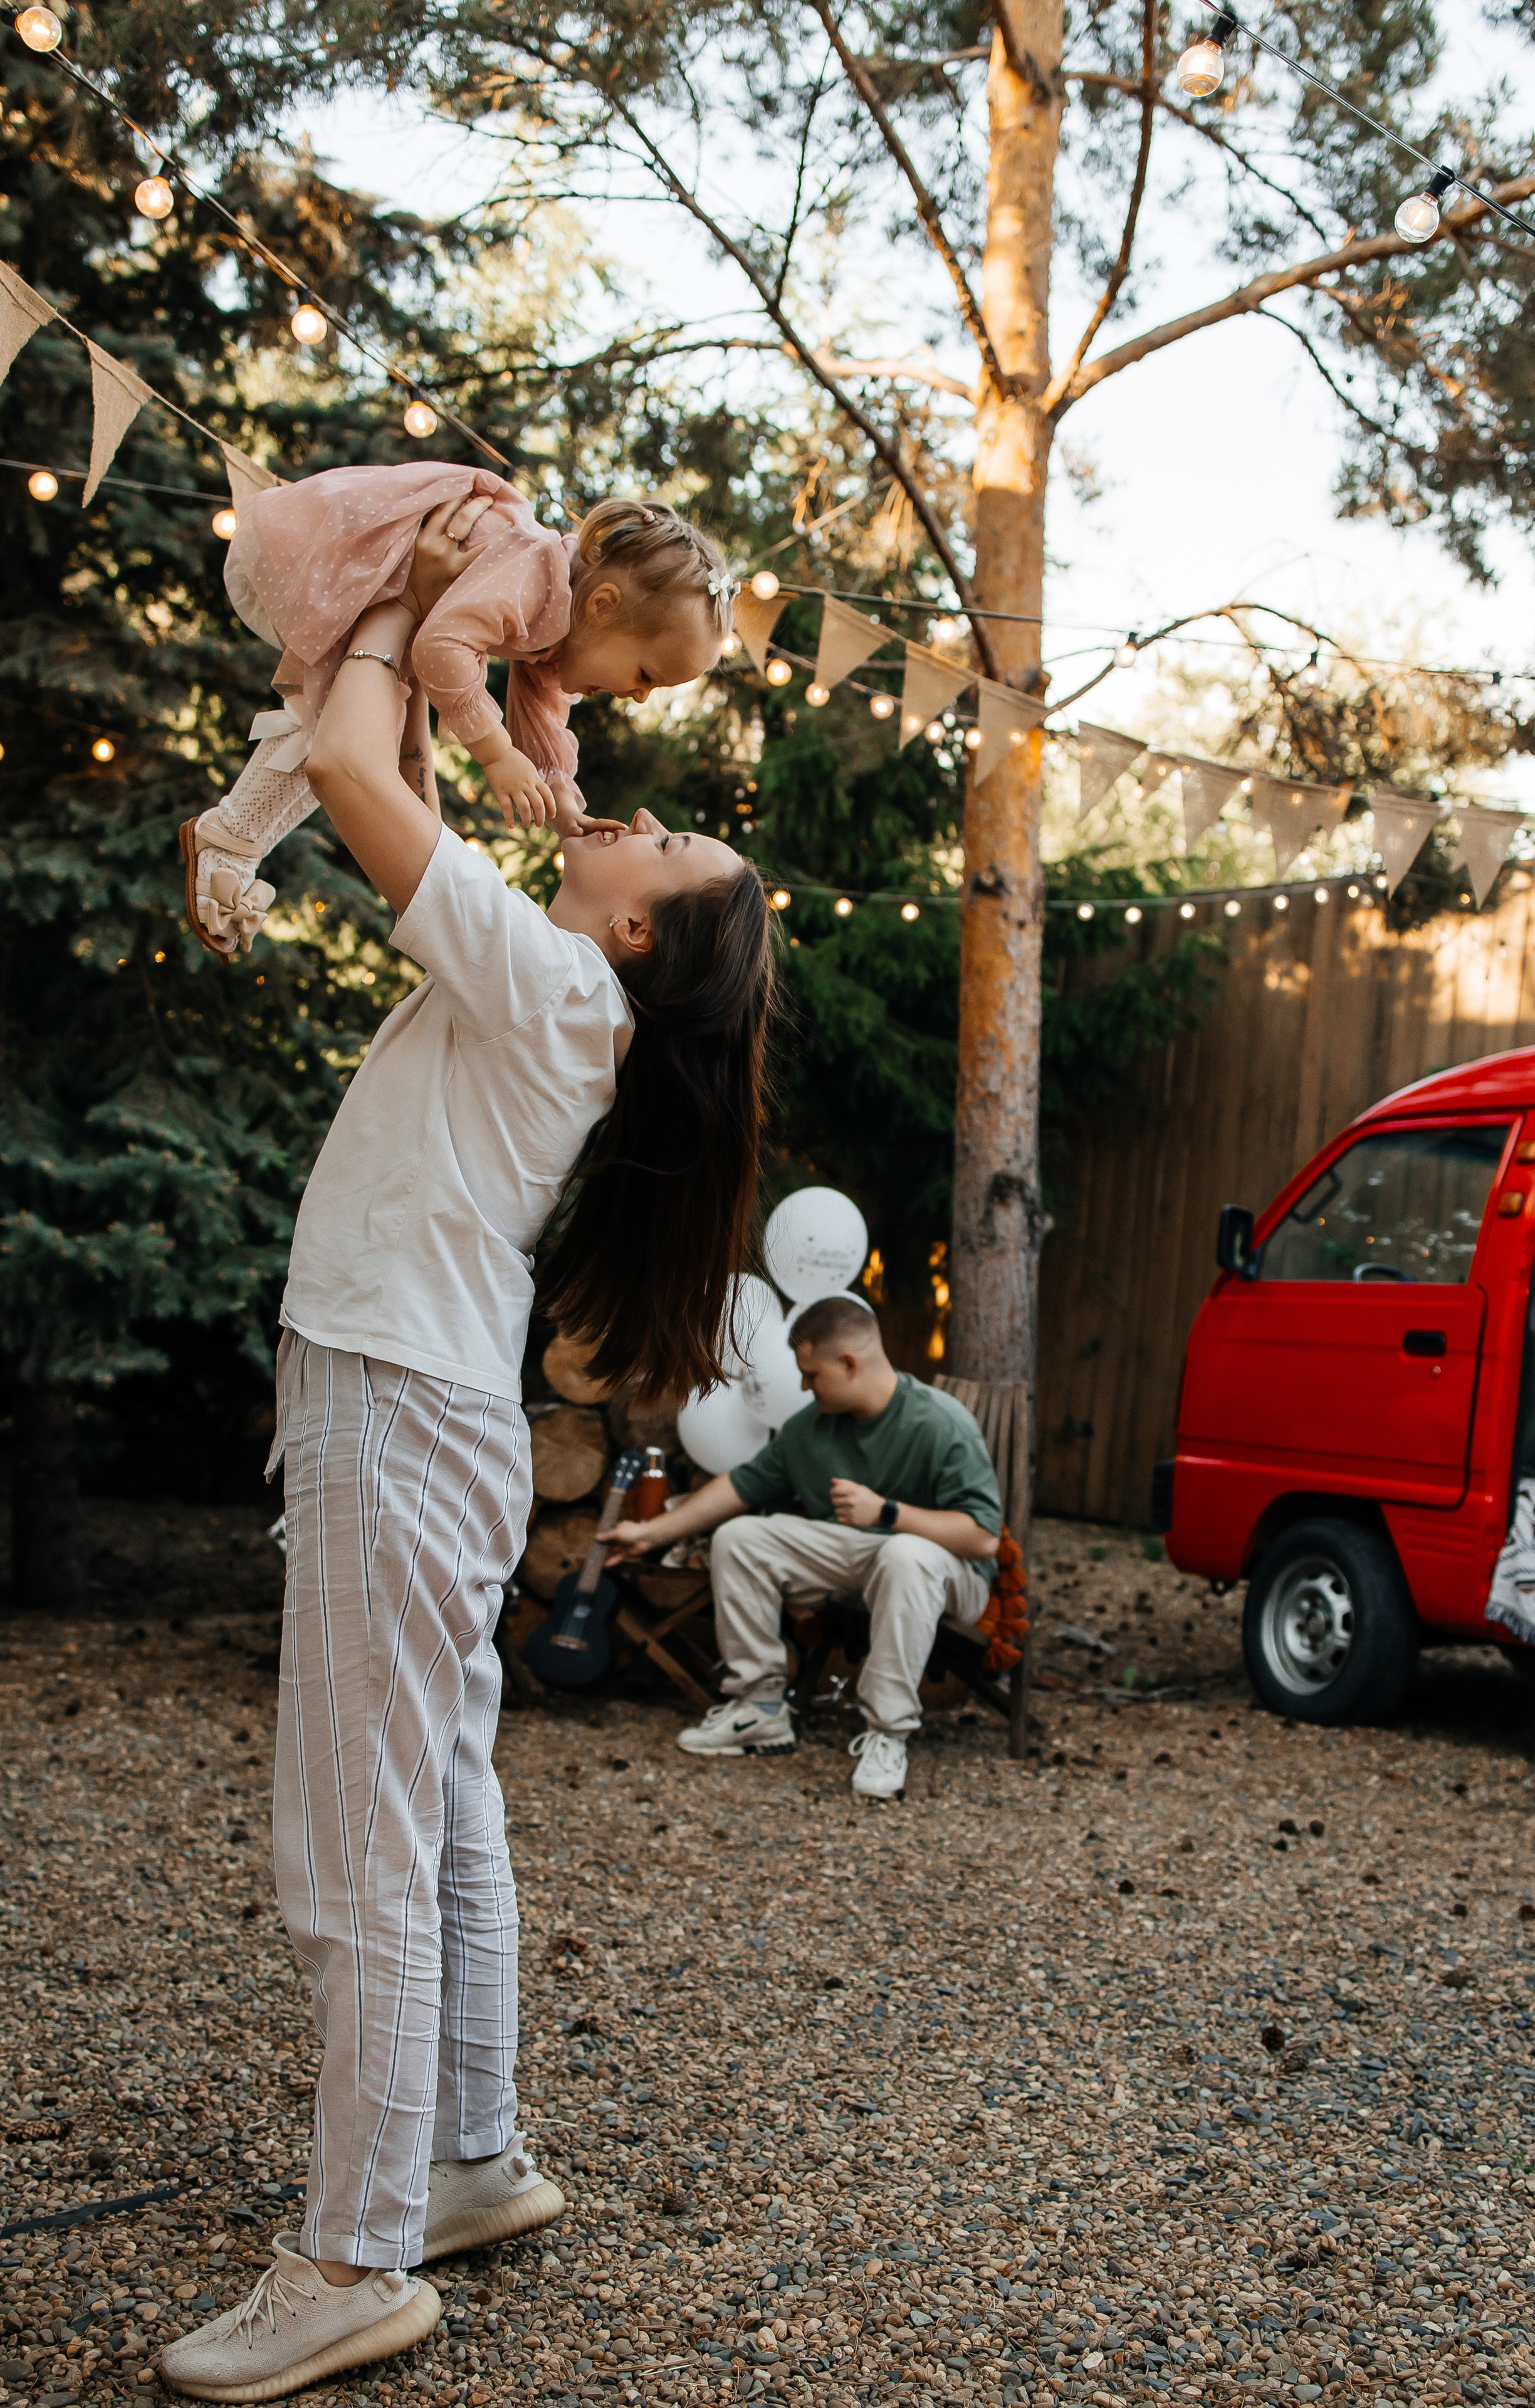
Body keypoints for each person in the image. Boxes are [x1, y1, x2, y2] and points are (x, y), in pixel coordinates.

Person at [159, 494, 777, 2403]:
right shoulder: (572, 980)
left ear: (640, 928)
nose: (621, 810)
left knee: (352, 1845)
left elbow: (353, 756)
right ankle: (470, 2157)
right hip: (429, 1407)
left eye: (654, 840)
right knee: (434, 1793)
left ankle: (349, 2255)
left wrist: (408, 598)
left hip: (391, 1400)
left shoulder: (548, 976)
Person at [181, 471, 734, 955]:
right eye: (645, 676)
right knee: (336, 722)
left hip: (381, 582)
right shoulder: (535, 571)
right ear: (603, 604)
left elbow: (542, 708)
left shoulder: (558, 623)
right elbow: (440, 648)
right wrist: (496, 754)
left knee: (352, 719)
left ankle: (234, 837)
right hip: (349, 555)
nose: (639, 697)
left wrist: (561, 797)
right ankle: (232, 834)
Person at [608, 1295, 1003, 1801]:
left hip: (948, 1570)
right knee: (742, 1537)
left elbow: (983, 1535)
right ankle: (761, 1708)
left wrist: (888, 1513)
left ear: (849, 1363)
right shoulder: (810, 1429)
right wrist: (650, 1534)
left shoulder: (940, 1423)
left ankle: (887, 1733)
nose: (802, 1385)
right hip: (859, 1555)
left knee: (905, 1555)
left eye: (811, 1374)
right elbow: (739, 1486)